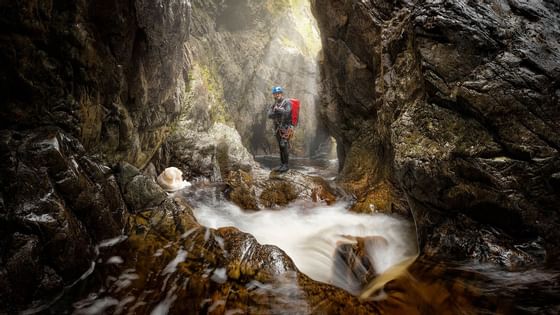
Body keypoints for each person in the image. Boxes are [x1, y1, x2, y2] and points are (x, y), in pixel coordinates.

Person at [267, 86, 293, 172]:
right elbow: (269, 115)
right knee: (280, 146)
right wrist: (278, 111)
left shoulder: (287, 102)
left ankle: (286, 165)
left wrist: (277, 110)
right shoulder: (274, 104)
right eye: (275, 94)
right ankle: (282, 164)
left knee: (284, 145)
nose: (277, 95)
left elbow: (287, 113)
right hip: (278, 128)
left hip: (286, 127)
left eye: (278, 93)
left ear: (281, 94)